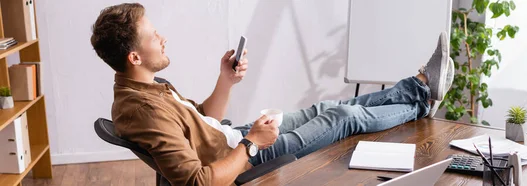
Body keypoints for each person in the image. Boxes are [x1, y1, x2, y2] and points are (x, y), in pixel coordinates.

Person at [90, 3, 454, 186]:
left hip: (235, 138)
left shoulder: (146, 88)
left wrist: (225, 80)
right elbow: (197, 181)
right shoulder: (142, 110)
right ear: (134, 56)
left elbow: (204, 122)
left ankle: (420, 84)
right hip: (245, 155)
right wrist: (251, 144)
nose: (163, 38)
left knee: (328, 106)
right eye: (154, 36)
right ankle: (422, 95)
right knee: (341, 120)